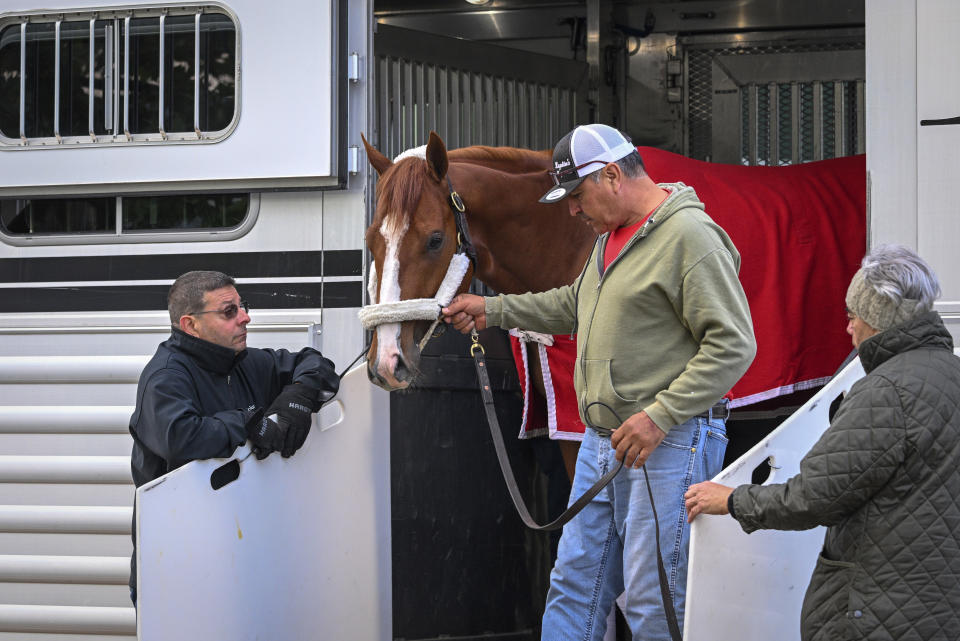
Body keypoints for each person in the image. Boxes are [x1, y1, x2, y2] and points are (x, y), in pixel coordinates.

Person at [442, 123, 756, 640]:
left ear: (612, 175)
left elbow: (734, 344)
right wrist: (492, 309)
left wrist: (659, 416)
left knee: (654, 596)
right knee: (573, 582)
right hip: (605, 441)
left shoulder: (690, 237)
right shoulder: (611, 239)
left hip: (665, 441)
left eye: (577, 195)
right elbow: (573, 305)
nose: (571, 211)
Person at [685, 244, 960, 641]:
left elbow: (813, 497)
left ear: (877, 319)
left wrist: (730, 500)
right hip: (938, 607)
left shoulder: (885, 392)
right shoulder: (950, 373)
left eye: (852, 316)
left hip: (878, 611)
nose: (848, 327)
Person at [127, 270, 340, 604]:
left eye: (243, 306)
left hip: (243, 558)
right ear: (190, 325)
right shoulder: (166, 377)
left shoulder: (246, 362)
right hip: (178, 568)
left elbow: (314, 363)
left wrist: (298, 398)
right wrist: (250, 422)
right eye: (229, 312)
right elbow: (181, 436)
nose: (245, 318)